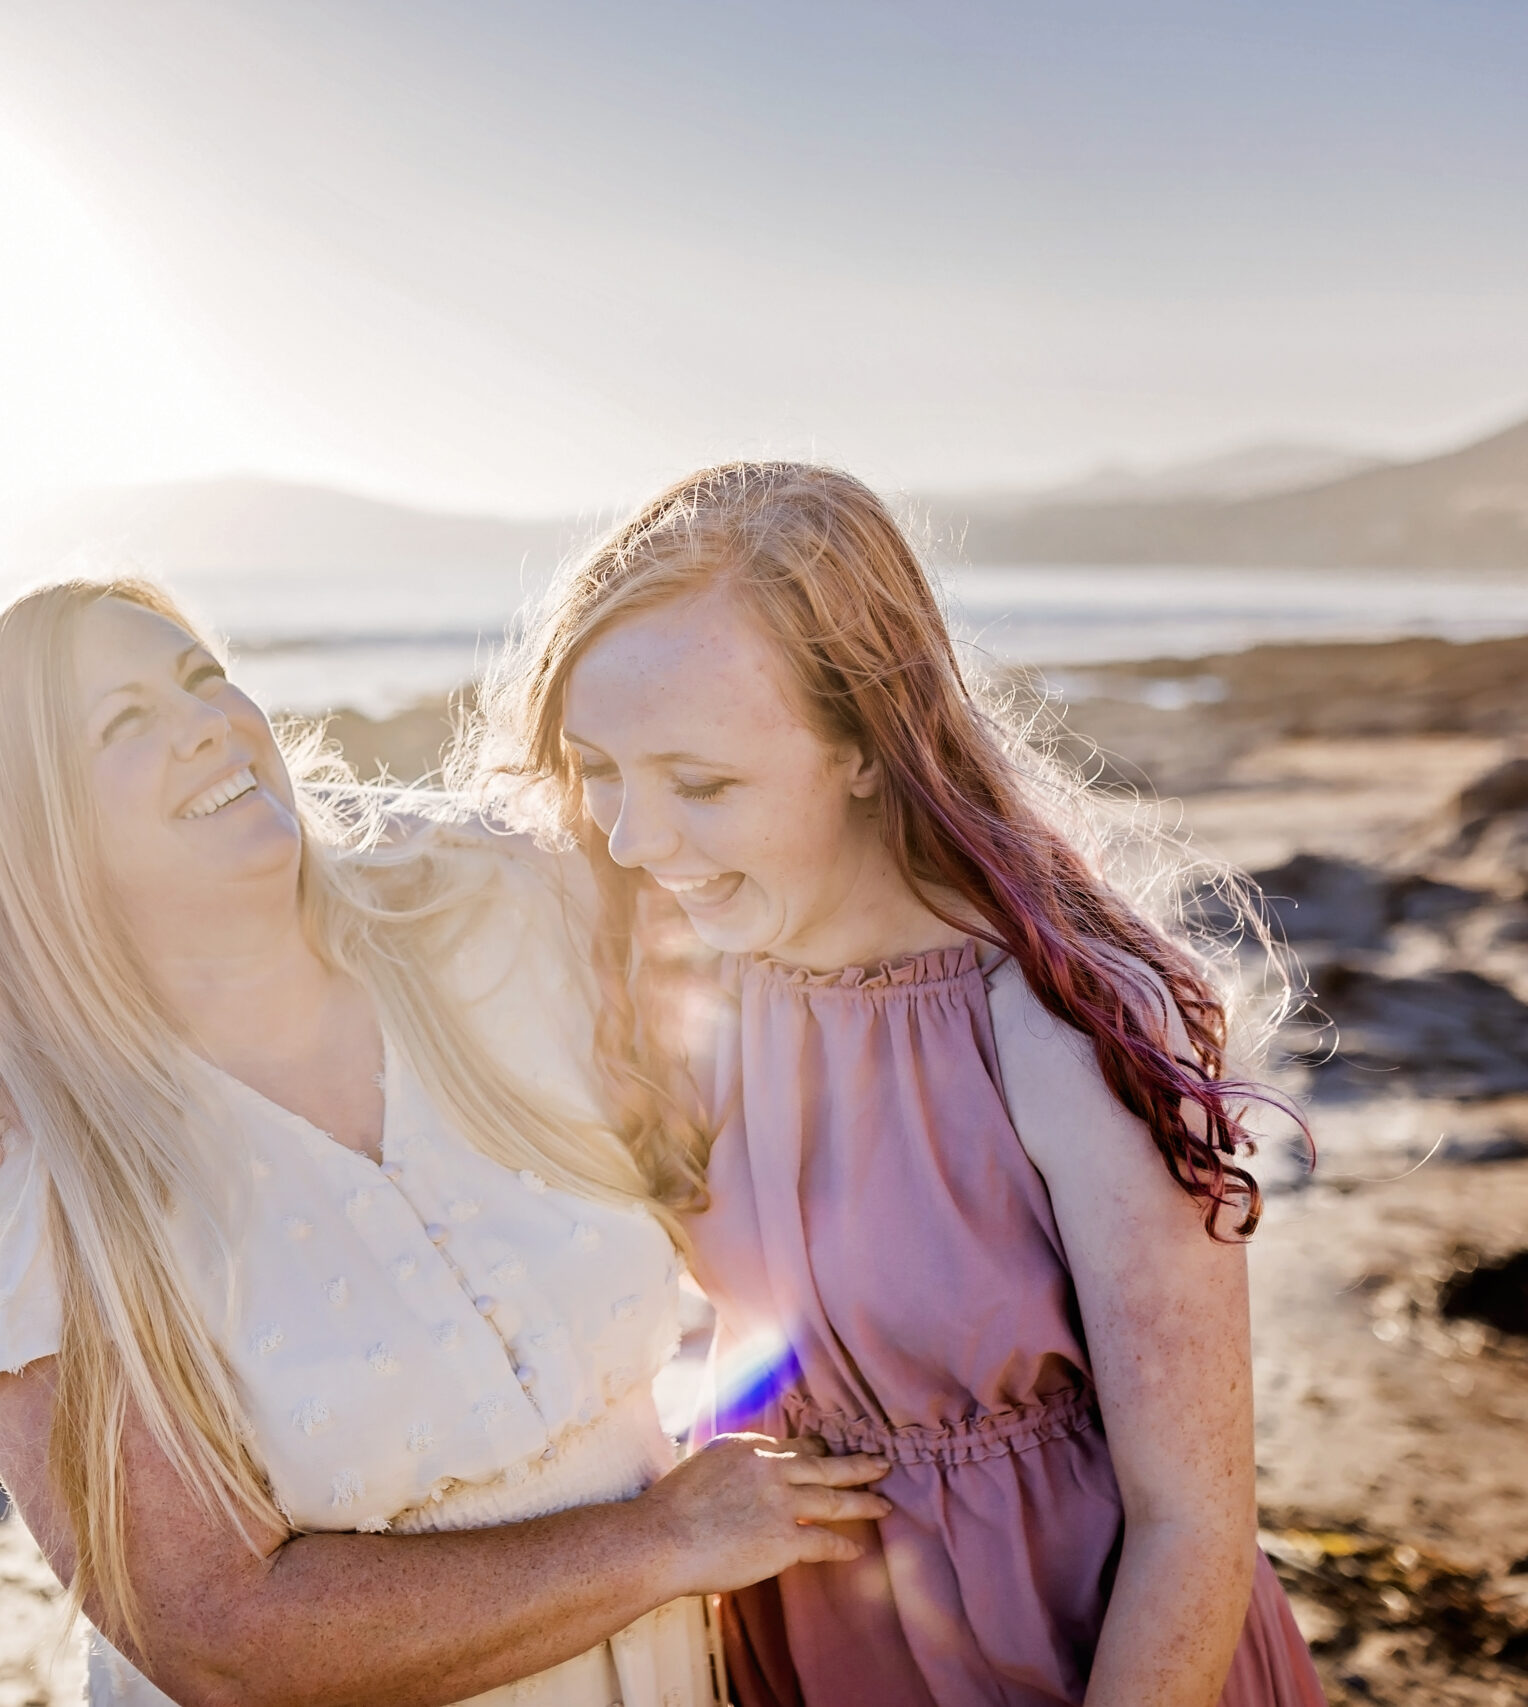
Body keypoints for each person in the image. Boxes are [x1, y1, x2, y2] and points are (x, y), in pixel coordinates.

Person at [0, 578, 893, 1707]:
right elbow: (216, 1639)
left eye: (202, 678)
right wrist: (663, 1542)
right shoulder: (24, 1181)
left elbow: (783, 865)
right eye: (123, 723)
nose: (210, 719)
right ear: (32, 837)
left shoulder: (484, 909)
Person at [475, 462, 1326, 1706]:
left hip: (1077, 1658)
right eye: (597, 767)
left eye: (700, 784)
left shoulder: (1058, 1026)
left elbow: (1191, 1524)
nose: (631, 838)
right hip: (812, 1651)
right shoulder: (676, 982)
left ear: (870, 746)